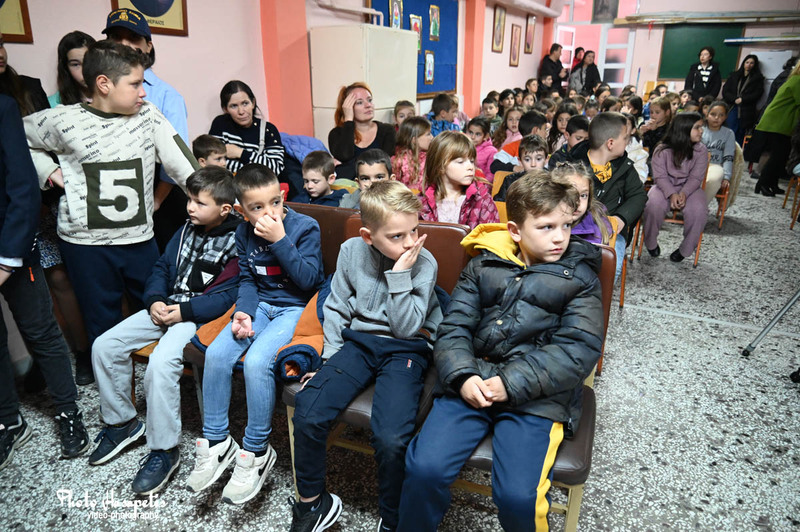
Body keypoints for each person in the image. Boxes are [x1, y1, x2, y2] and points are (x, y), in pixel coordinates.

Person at [397, 172, 604, 532]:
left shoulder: (580, 278)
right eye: (546, 227)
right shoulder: (483, 264)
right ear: (515, 231)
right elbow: (454, 327)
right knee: (423, 469)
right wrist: (463, 376)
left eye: (566, 226)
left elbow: (577, 349)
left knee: (519, 497)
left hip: (538, 397)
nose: (560, 237)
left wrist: (509, 383)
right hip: (473, 381)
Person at [24, 40, 198, 384]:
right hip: (85, 247)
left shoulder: (148, 116)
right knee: (102, 327)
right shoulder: (63, 120)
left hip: (139, 241)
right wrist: (48, 171)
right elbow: (17, 137)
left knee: (160, 310)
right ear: (104, 84)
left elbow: (185, 167)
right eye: (135, 84)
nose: (143, 92)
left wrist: (224, 201)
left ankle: (168, 384)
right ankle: (117, 402)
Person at [289, 180, 443, 532]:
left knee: (391, 439)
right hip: (359, 343)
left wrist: (400, 274)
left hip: (406, 347)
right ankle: (312, 504)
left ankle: (392, 518)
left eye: (414, 230)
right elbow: (337, 306)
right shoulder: (351, 250)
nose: (411, 242)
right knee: (308, 410)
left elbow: (406, 328)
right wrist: (328, 360)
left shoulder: (423, 261)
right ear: (368, 236)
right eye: (397, 236)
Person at [88, 167, 241, 495]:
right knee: (105, 345)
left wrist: (185, 311)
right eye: (189, 199)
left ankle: (164, 450)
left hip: (195, 318)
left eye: (199, 203)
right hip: (167, 307)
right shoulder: (185, 229)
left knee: (160, 364)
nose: (190, 207)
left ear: (224, 209)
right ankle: (123, 423)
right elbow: (161, 267)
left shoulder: (237, 240)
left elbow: (228, 296)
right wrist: (155, 299)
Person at [186, 163, 323, 504]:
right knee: (217, 353)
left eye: (275, 202)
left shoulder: (305, 227)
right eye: (257, 207)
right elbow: (248, 279)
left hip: (295, 308)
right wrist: (243, 312)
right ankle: (217, 442)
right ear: (241, 211)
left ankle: (257, 451)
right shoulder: (243, 233)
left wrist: (280, 241)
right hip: (260, 305)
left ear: (282, 196)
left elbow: (309, 281)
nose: (270, 212)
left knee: (257, 361)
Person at [0, 94, 90, 468]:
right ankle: (9, 421)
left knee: (41, 331)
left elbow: (22, 187)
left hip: (12, 244)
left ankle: (69, 412)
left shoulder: (3, 107)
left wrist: (7, 259)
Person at [2, 30, 93, 385]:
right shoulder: (57, 100)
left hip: (58, 199)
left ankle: (98, 351)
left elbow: (48, 147)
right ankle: (76, 355)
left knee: (84, 276)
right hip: (24, 206)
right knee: (53, 279)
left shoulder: (28, 87)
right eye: (75, 63)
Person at [103, 8, 191, 253]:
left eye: (133, 38)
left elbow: (178, 159)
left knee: (160, 267)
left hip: (160, 197)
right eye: (116, 37)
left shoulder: (167, 96)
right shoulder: (98, 90)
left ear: (148, 46)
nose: (124, 45)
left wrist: (155, 202)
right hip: (112, 197)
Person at [567, 112, 646, 279]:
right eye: (625, 138)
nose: (627, 141)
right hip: (574, 228)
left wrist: (621, 218)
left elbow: (638, 195)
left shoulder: (624, 166)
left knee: (611, 266)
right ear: (610, 143)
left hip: (611, 231)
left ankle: (601, 296)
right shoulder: (573, 164)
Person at [643, 112, 708, 262]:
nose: (701, 131)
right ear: (684, 129)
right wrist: (672, 194)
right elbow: (660, 177)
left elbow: (696, 178)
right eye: (697, 127)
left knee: (699, 211)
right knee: (652, 205)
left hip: (690, 188)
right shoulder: (662, 150)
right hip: (663, 186)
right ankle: (650, 242)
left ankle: (686, 249)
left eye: (701, 127)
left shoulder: (701, 150)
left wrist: (684, 193)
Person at [419, 131, 499, 229]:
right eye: (460, 162)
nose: (470, 167)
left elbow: (491, 235)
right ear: (440, 166)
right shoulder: (422, 202)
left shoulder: (482, 200)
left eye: (472, 161)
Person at [209, 80, 285, 176]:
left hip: (259, 185)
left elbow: (275, 169)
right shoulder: (220, 124)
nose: (241, 111)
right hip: (229, 184)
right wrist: (257, 166)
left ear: (253, 103)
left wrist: (240, 153)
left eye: (245, 103)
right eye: (233, 106)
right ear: (225, 109)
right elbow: (213, 164)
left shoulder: (268, 130)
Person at [328, 82, 396, 181]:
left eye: (370, 100)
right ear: (347, 108)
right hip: (347, 188)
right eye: (359, 102)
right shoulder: (336, 134)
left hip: (379, 187)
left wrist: (348, 166)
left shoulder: (387, 131)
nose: (368, 105)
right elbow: (345, 155)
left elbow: (382, 167)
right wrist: (348, 119)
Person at [752, 61, 800, 197]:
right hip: (778, 122)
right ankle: (762, 184)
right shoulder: (798, 80)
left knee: (782, 155)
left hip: (780, 122)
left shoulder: (794, 78)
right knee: (777, 156)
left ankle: (772, 183)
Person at [553, 162, 613, 245]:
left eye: (583, 195)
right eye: (570, 195)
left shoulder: (595, 230)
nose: (577, 203)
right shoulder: (543, 225)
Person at [722, 55, 765, 145]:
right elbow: (725, 91)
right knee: (730, 129)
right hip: (732, 106)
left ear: (755, 65)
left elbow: (757, 93)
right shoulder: (734, 75)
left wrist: (743, 99)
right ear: (743, 63)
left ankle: (737, 151)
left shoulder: (758, 78)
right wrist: (734, 99)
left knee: (740, 133)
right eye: (747, 62)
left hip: (746, 109)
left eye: (751, 63)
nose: (749, 65)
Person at [493, 134, 550, 202]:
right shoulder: (510, 181)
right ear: (520, 161)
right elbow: (499, 204)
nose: (533, 164)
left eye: (538, 159)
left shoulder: (552, 182)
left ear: (546, 160)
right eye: (527, 160)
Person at [490, 110, 549, 176]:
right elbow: (495, 166)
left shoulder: (544, 147)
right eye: (545, 129)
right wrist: (515, 168)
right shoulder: (513, 147)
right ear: (536, 130)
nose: (546, 133)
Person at [48, 31, 96, 107]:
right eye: (75, 64)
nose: (84, 71)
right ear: (66, 68)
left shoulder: (112, 99)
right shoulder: (51, 105)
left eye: (89, 61)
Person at [701, 101, 735, 205]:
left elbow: (728, 156)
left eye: (721, 115)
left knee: (713, 180)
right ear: (707, 115)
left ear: (725, 117)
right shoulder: (700, 129)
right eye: (713, 114)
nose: (717, 118)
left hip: (716, 165)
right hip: (697, 163)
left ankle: (700, 207)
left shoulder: (728, 133)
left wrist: (726, 176)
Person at [392, 116, 433, 190]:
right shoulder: (398, 161)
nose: (432, 137)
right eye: (428, 134)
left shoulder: (431, 157)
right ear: (414, 140)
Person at [640, 96, 673, 162]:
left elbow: (657, 148)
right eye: (651, 112)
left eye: (657, 112)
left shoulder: (670, 129)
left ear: (667, 112)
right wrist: (640, 133)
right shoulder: (645, 124)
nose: (653, 115)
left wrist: (654, 131)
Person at [467, 117, 498, 181]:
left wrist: (482, 186)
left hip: (481, 184)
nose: (473, 137)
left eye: (478, 134)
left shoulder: (492, 151)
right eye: (470, 132)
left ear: (486, 136)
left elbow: (491, 175)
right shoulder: (463, 146)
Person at [621, 112, 649, 183]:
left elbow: (640, 179)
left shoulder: (640, 154)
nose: (622, 127)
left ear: (633, 130)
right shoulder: (604, 148)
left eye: (626, 125)